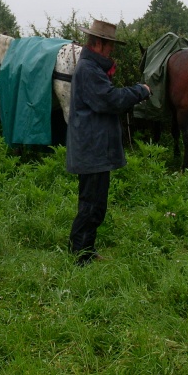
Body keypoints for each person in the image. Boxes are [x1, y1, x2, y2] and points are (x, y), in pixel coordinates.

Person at [66, 19, 151, 265]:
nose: (112, 49)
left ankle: (85, 249)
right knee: (91, 205)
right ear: (99, 43)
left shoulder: (92, 68)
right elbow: (110, 99)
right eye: (110, 44)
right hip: (92, 147)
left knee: (94, 203)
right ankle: (81, 256)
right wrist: (140, 90)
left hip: (94, 146)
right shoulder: (89, 70)